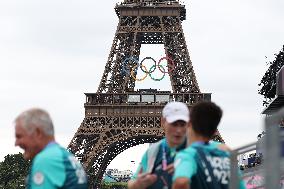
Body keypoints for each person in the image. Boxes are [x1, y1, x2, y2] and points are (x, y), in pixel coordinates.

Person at [128, 101, 229, 189]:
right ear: (163, 122)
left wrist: (184, 168)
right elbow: (132, 183)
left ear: (189, 124)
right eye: (174, 124)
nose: (179, 130)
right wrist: (137, 184)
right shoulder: (153, 152)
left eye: (182, 124)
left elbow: (224, 150)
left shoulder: (200, 148)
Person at [172, 101, 246, 189]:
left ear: (189, 124)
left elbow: (181, 182)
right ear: (214, 130)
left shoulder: (189, 155)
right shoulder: (227, 156)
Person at [14, 108, 88, 189]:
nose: (16, 143)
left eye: (19, 136)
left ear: (37, 133)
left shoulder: (46, 160)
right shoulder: (66, 156)